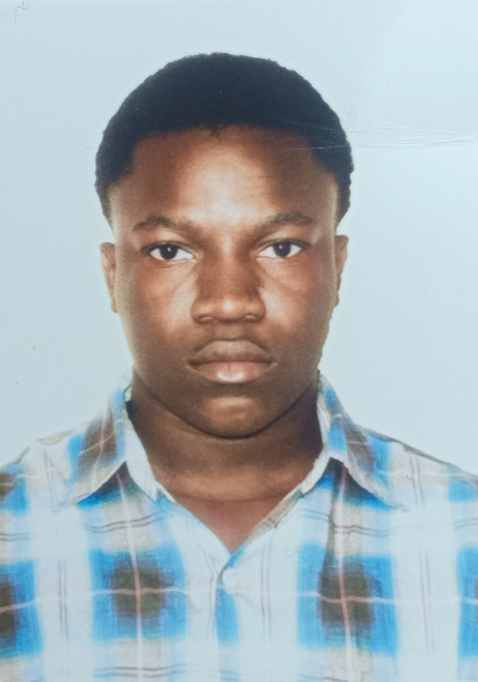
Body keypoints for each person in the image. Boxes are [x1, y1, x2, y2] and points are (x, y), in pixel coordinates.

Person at [1, 53, 476, 682]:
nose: (228, 302)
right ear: (113, 275)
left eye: (281, 247)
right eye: (170, 251)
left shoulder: (462, 537)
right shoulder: (11, 533)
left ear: (337, 268)